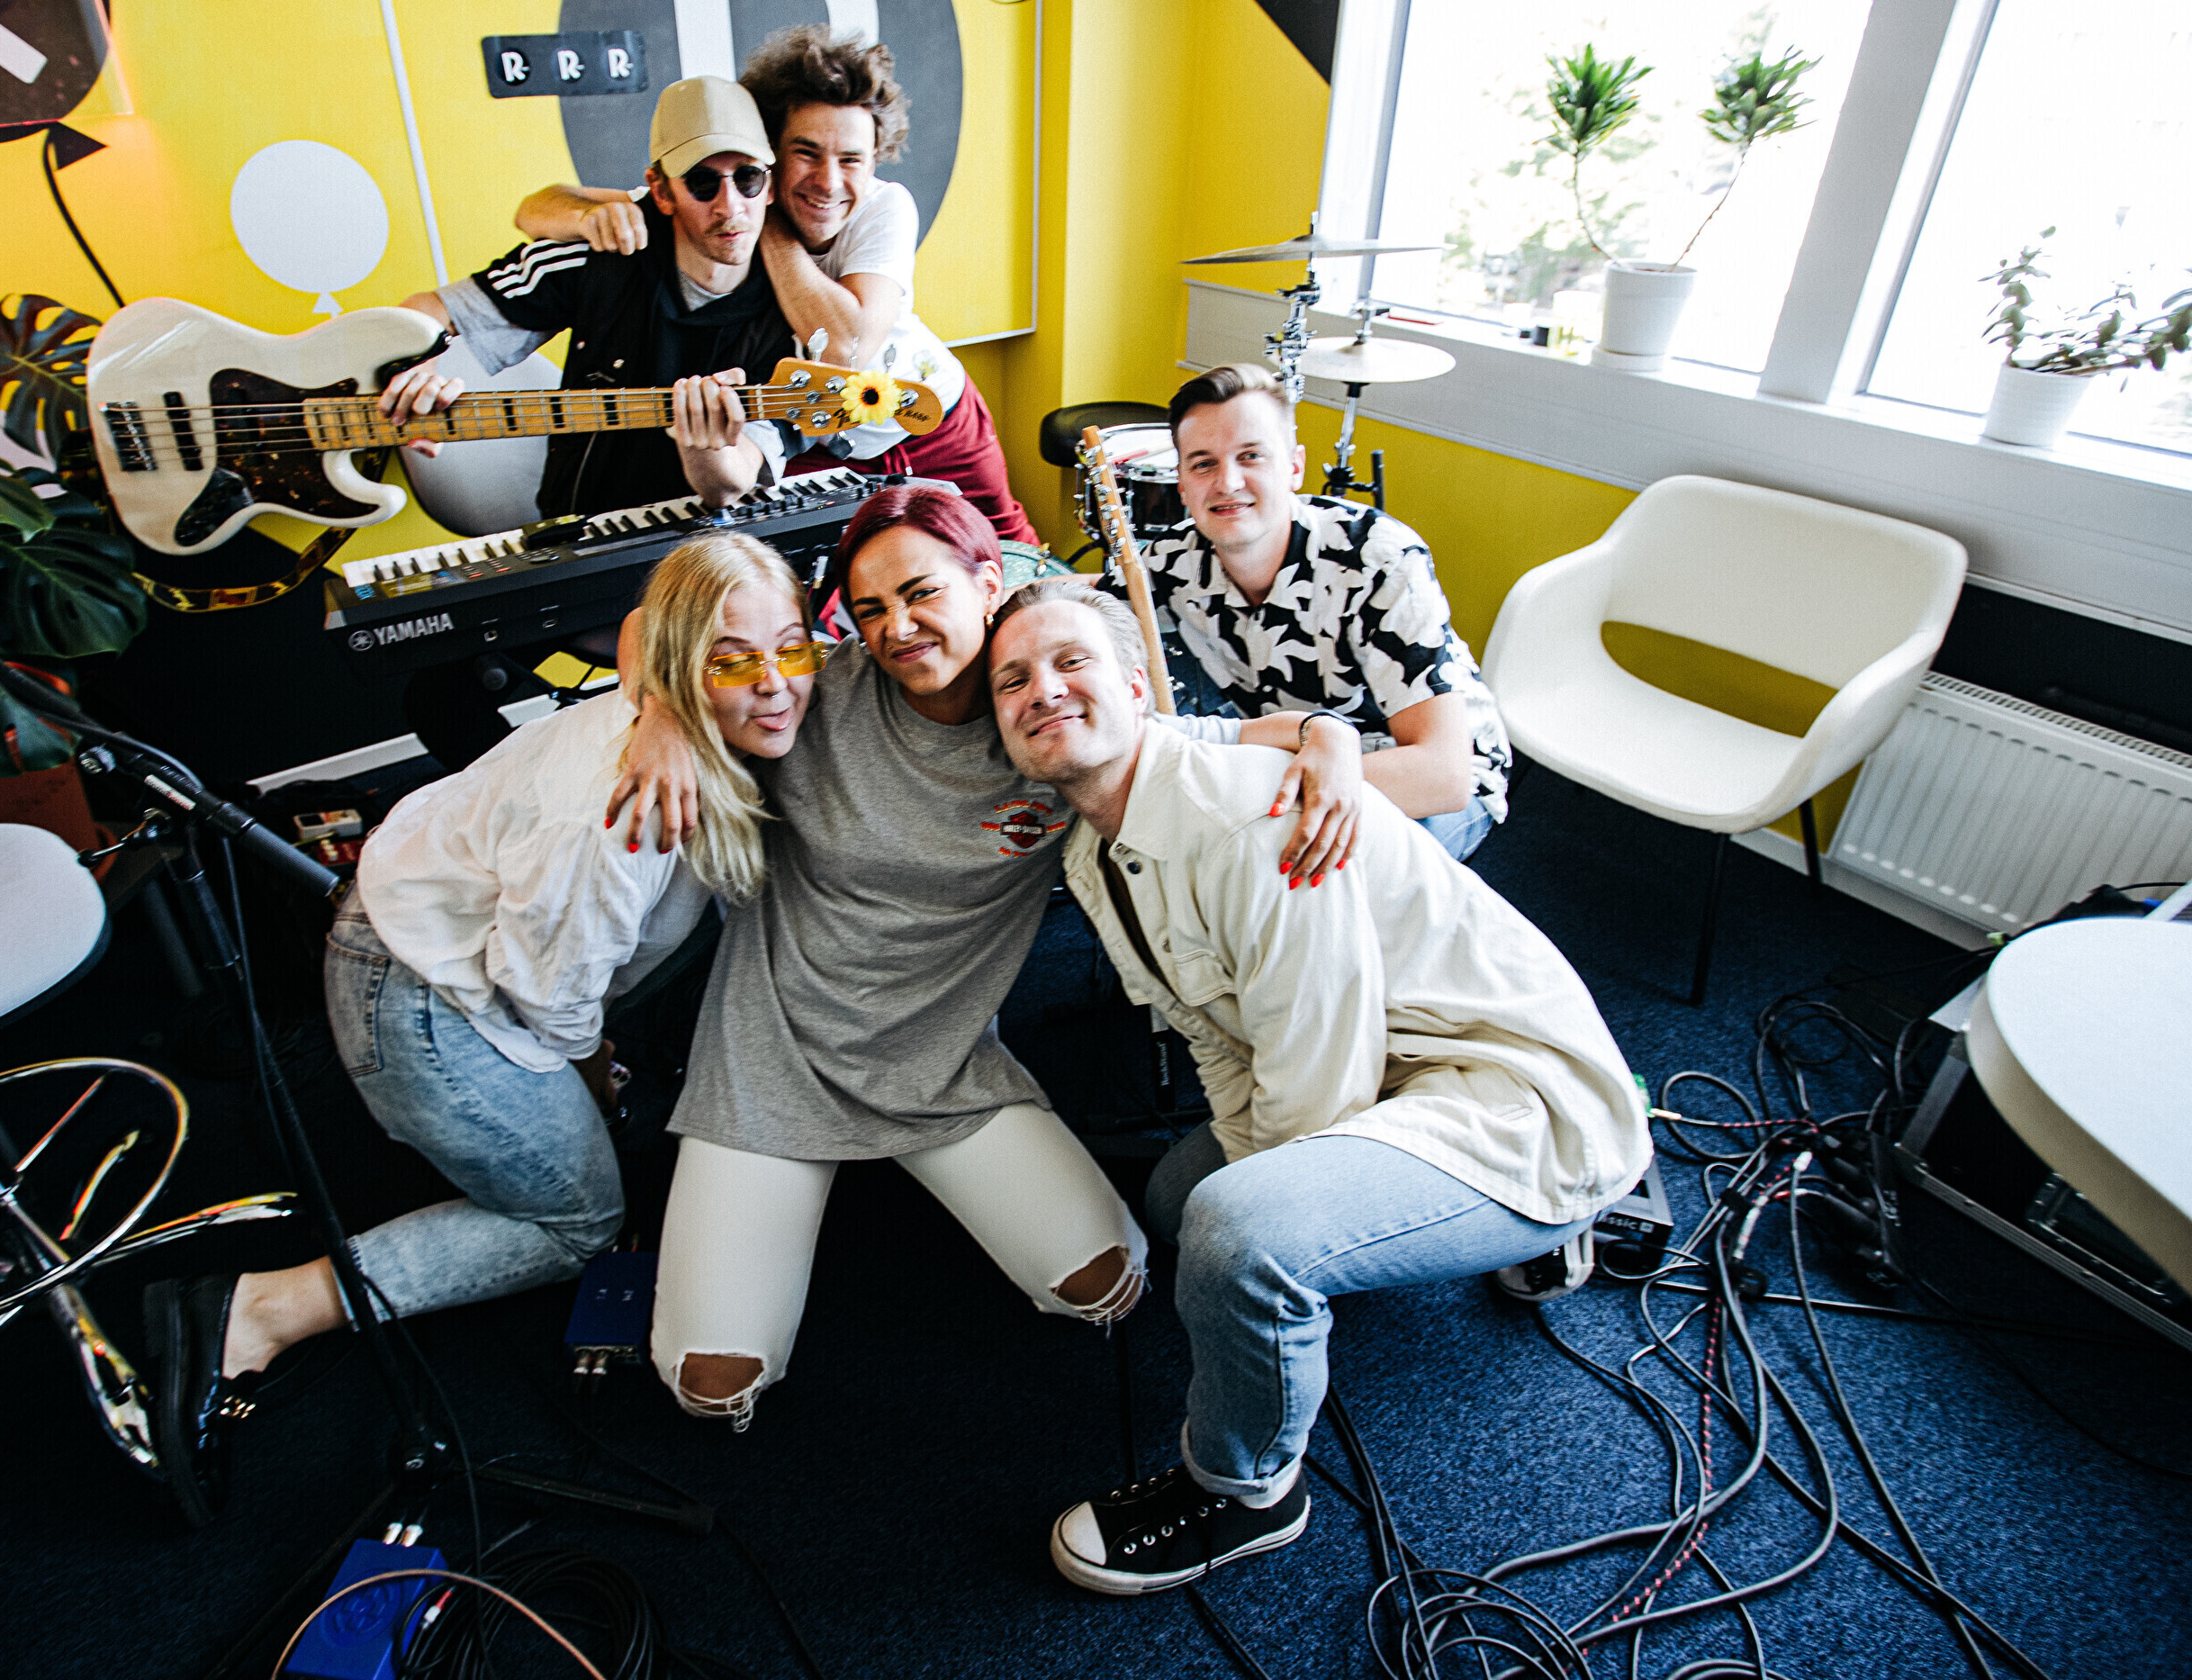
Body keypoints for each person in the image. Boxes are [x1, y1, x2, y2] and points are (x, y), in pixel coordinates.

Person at [610, 486, 1366, 1429]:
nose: (897, 627)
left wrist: (1330, 737)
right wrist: (661, 709)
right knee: (712, 1384)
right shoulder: (814, 690)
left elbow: (1229, 740)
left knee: (1106, 1288)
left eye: (921, 592)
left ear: (987, 580)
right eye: (871, 608)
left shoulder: (1047, 724)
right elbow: (658, 621)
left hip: (942, 1057)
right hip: (775, 1051)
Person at [984, 578, 1650, 1594]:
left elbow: (1318, 1076)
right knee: (1178, 1198)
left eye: (1071, 661)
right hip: (1389, 1066)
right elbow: (1213, 1036)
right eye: (1013, 680)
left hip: (1514, 1093)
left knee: (1237, 1233)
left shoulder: (1245, 813)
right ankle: (1375, 1243)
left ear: (1136, 685)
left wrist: (1258, 1223)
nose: (1043, 690)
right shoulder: (1094, 849)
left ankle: (1247, 1489)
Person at [141, 532, 821, 1525]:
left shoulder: (681, 697)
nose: (774, 684)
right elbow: (546, 995)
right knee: (578, 1221)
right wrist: (591, 1076)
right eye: (730, 662)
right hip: (421, 997)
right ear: (682, 663)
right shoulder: (621, 820)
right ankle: (258, 1308)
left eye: (791, 647)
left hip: (456, 936)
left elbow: (646, 617)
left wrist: (672, 705)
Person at [516, 25, 1037, 544]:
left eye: (851, 159)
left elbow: (846, 348)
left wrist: (769, 229)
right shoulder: (731, 195)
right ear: (770, 152)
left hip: (929, 419)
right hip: (812, 436)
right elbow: (536, 208)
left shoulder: (883, 206)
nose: (828, 182)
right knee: (813, 571)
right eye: (806, 153)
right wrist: (585, 219)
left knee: (1004, 546)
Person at [1100, 362, 1514, 860]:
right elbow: (1087, 602)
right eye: (1203, 464)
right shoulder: (1172, 560)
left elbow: (1442, 775)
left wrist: (1258, 797)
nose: (1227, 482)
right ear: (1183, 486)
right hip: (1300, 753)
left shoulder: (1378, 557)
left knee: (1301, 878)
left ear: (1294, 466)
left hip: (1430, 775)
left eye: (1251, 456)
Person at [375, 76, 798, 520]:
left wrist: (704, 449)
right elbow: (429, 310)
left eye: (748, 178)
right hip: (582, 530)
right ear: (661, 191)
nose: (730, 206)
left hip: (715, 541)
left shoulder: (796, 303)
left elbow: (729, 484)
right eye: (702, 182)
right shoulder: (600, 254)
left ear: (770, 186)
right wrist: (414, 368)